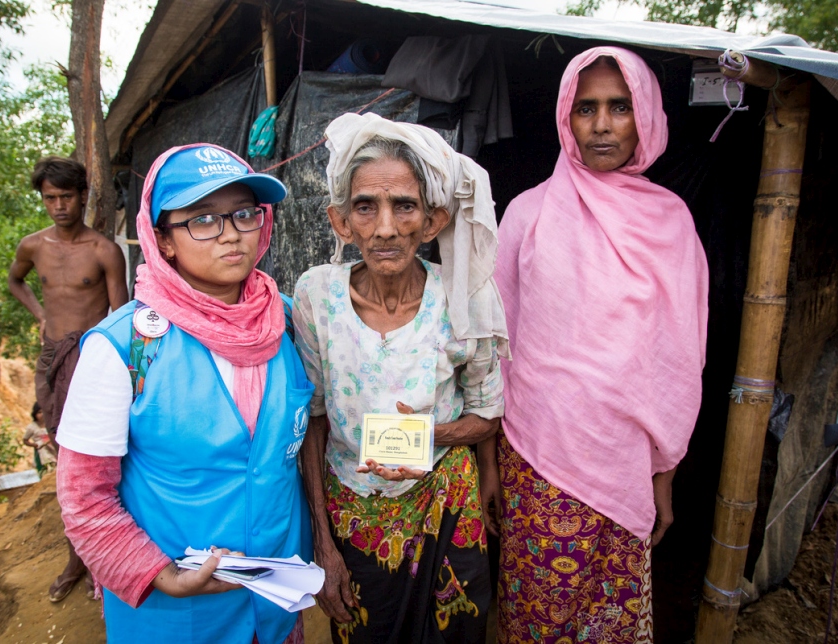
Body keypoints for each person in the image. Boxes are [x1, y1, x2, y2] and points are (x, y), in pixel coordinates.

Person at [489, 47, 710, 643]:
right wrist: (489, 463)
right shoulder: (527, 215)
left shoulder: (672, 223)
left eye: (620, 106)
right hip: (537, 459)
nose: (603, 124)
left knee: (607, 622)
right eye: (586, 108)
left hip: (626, 464)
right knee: (538, 617)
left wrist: (663, 473)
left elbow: (680, 361)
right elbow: (495, 345)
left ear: (645, 117)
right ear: (566, 116)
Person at [54, 144, 315, 644]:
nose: (231, 233)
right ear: (162, 241)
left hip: (277, 601)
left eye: (244, 213)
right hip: (178, 617)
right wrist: (164, 577)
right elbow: (84, 498)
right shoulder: (125, 348)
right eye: (202, 219)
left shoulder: (285, 321)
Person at [294, 112, 509, 644]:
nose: (385, 227)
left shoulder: (465, 299)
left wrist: (430, 434)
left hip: (443, 497)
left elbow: (488, 412)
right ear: (341, 222)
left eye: (404, 205)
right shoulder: (316, 297)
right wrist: (323, 544)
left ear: (433, 221)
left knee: (457, 632)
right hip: (353, 506)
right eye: (366, 207)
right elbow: (313, 421)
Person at [8, 155, 128, 603]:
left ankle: (108, 557)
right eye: (50, 198)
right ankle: (77, 555)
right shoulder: (32, 246)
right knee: (64, 454)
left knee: (98, 455)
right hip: (52, 358)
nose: (59, 206)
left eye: (66, 196)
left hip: (92, 359)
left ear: (83, 196)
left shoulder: (103, 251)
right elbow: (15, 281)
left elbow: (122, 318)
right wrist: (40, 315)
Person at [22, 402, 57, 473]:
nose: (42, 414)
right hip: (42, 450)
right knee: (46, 468)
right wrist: (35, 445)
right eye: (39, 412)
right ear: (35, 414)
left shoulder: (50, 424)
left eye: (43, 412)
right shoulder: (32, 427)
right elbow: (25, 440)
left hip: (53, 449)